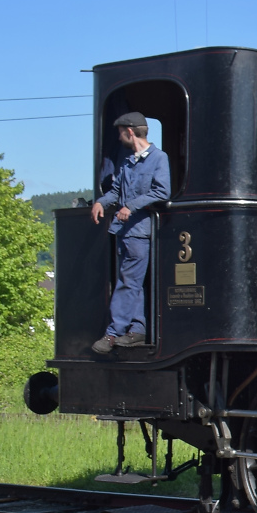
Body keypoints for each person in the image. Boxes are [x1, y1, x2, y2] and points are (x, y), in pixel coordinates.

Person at [90, 112, 171, 354]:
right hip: (123, 231)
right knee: (132, 283)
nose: (119, 137)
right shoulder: (127, 162)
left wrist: (132, 206)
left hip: (140, 231)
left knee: (128, 282)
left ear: (130, 132)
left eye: (120, 132)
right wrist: (100, 202)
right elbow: (116, 191)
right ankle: (136, 329)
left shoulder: (159, 158)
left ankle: (113, 333)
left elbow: (162, 192)